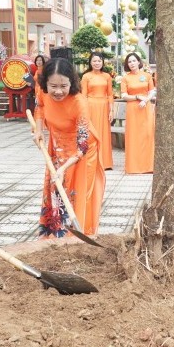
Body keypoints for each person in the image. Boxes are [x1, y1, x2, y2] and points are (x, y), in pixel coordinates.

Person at [34, 58, 105, 237]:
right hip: (57, 145)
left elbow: (83, 145)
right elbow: (40, 107)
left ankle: (80, 234)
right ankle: (56, 231)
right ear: (46, 84)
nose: (58, 91)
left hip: (82, 150)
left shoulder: (79, 102)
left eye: (63, 86)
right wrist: (38, 128)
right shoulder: (43, 93)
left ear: (71, 83)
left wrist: (63, 168)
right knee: (56, 189)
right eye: (53, 86)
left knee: (77, 192)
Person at [121, 52, 156, 174]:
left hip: (145, 108)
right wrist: (137, 97)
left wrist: (146, 100)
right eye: (129, 62)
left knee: (147, 135)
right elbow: (124, 95)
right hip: (133, 109)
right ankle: (134, 166)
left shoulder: (147, 75)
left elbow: (152, 91)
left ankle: (148, 166)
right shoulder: (126, 78)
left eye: (134, 61)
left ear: (139, 62)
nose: (132, 63)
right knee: (133, 136)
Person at [81, 51, 114, 170]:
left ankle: (105, 163)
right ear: (90, 62)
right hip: (90, 106)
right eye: (94, 60)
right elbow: (83, 95)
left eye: (99, 60)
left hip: (104, 106)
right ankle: (92, 161)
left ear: (102, 62)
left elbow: (110, 94)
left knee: (104, 133)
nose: (97, 63)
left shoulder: (107, 76)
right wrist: (83, 111)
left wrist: (111, 110)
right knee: (92, 133)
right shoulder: (86, 76)